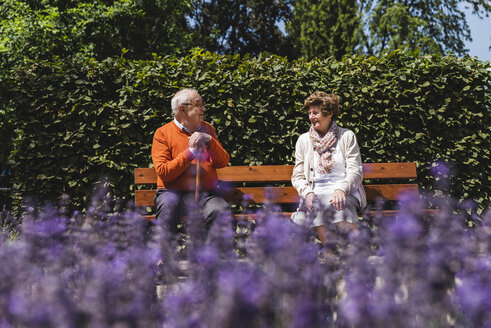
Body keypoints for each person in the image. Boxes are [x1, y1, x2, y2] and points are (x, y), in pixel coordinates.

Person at [291, 91, 366, 244]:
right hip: (315, 192)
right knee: (318, 202)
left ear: (329, 113)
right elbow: (297, 176)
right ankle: (333, 251)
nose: (311, 116)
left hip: (345, 191)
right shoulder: (303, 140)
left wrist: (341, 189)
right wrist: (307, 193)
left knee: (338, 203)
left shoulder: (346, 136)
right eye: (309, 112)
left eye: (316, 113)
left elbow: (355, 171)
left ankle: (356, 248)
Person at [152, 88, 231, 233]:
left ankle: (211, 254)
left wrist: (209, 140)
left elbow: (222, 162)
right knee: (168, 207)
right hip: (171, 192)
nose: (204, 109)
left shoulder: (208, 129)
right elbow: (164, 172)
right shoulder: (162, 133)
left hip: (205, 194)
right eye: (198, 104)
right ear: (183, 109)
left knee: (220, 209)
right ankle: (164, 253)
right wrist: (191, 152)